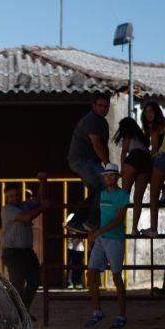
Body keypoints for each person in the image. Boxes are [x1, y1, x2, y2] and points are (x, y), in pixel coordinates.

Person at [84, 164, 130, 329]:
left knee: (117, 278)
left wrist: (97, 232)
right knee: (91, 274)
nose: (109, 178)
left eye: (112, 175)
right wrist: (95, 230)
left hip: (114, 239)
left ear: (117, 177)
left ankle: (122, 316)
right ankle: (97, 312)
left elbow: (119, 219)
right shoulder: (102, 194)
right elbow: (103, 216)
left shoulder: (123, 195)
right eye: (107, 175)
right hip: (102, 238)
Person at [1, 174, 49, 309]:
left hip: (26, 251)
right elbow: (27, 217)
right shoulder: (7, 209)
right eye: (11, 196)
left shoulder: (24, 205)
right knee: (17, 284)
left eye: (16, 195)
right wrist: (42, 207)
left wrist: (42, 181)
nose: (14, 198)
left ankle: (23, 311)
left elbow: (40, 199)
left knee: (34, 281)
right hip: (13, 252)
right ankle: (18, 313)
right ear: (6, 198)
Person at [65, 93, 111, 233]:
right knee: (104, 186)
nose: (103, 109)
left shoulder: (101, 121)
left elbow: (103, 146)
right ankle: (92, 221)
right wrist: (108, 165)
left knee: (98, 190)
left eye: (106, 106)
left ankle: (76, 221)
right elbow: (97, 145)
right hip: (82, 160)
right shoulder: (92, 120)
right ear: (93, 106)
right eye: (100, 105)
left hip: (89, 161)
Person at [140, 101, 165, 237]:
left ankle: (153, 230)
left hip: (164, 157)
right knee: (150, 174)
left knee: (153, 194)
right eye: (146, 111)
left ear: (156, 112)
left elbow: (155, 149)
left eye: (151, 111)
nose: (148, 114)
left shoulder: (155, 125)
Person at [112, 116, 153, 234]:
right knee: (138, 198)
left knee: (124, 195)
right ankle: (134, 228)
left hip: (134, 158)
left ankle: (117, 225)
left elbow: (124, 153)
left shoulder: (128, 135)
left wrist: (122, 170)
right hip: (146, 161)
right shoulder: (142, 138)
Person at [64, 213, 85, 289]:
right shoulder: (71, 215)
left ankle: (78, 282)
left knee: (80, 265)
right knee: (71, 264)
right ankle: (70, 281)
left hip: (81, 246)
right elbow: (67, 226)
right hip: (71, 245)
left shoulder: (84, 215)